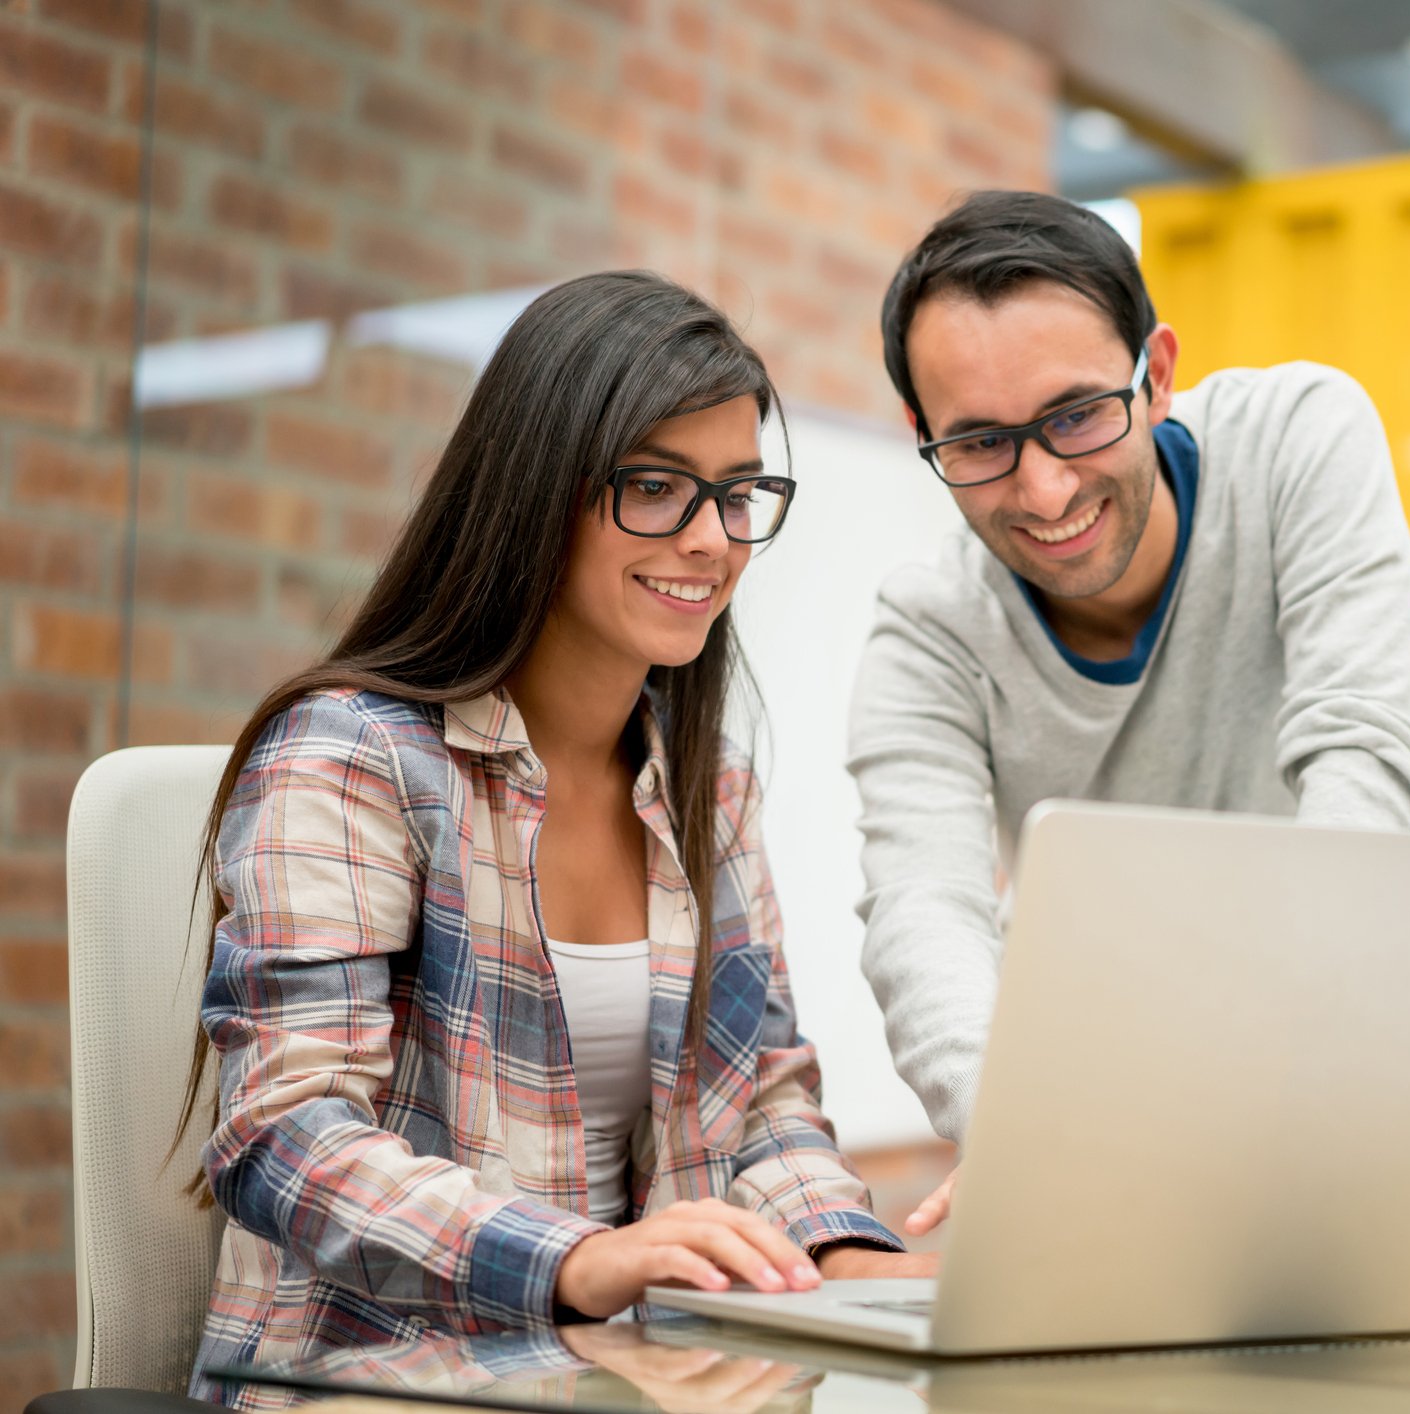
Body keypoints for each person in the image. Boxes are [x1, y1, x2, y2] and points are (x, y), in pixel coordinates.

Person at [183, 272, 928, 1406]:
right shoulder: (352, 758)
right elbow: (288, 1137)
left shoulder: (704, 785)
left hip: (634, 1377)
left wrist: (854, 1261)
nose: (709, 539)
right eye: (654, 486)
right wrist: (576, 1258)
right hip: (377, 1379)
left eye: (737, 494)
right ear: (539, 488)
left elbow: (763, 1101)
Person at [852, 192, 1410, 1233]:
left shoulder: (1295, 441)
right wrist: (1020, 1133)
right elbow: (923, 911)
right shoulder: (927, 628)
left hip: (1333, 1092)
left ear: (1156, 375)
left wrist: (1299, 1076)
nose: (1041, 489)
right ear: (921, 433)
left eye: (1077, 414)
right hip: (1094, 1136)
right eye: (979, 443)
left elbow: (1361, 754)